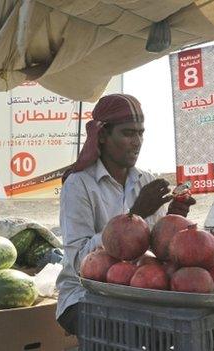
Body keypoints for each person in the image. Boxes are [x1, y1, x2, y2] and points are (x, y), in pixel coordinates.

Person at [55, 94, 196, 336]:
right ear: (102, 136)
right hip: (85, 296)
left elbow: (157, 252)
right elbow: (79, 261)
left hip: (140, 290)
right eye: (128, 133)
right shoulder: (79, 185)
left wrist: (173, 223)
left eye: (141, 133)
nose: (137, 141)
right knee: (134, 333)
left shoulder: (147, 181)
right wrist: (134, 215)